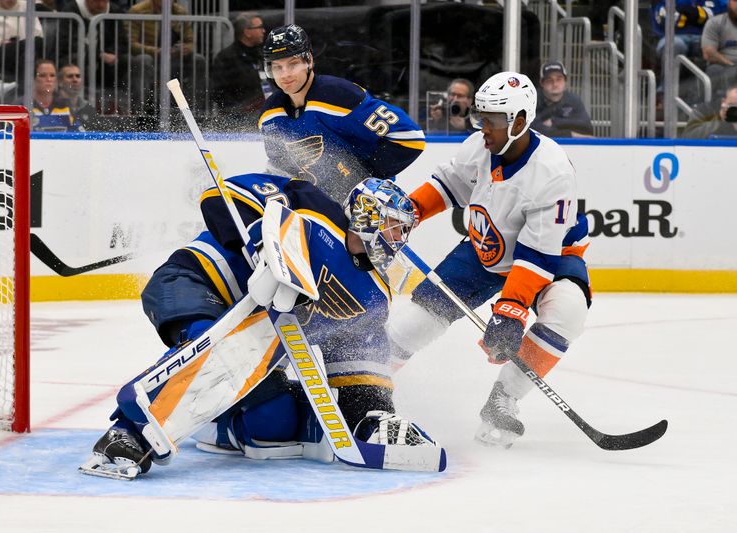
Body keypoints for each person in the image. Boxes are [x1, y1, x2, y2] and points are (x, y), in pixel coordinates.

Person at [85, 174, 440, 476]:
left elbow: (359, 359)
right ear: (367, 217)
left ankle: (215, 421)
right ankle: (127, 433)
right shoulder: (311, 205)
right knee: (221, 353)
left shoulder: (375, 293)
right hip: (195, 280)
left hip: (256, 339)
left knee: (273, 423)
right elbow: (219, 198)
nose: (398, 239)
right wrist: (264, 247)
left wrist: (375, 417)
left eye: (403, 231)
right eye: (393, 226)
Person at [385, 71, 592, 449]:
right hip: (488, 246)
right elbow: (447, 185)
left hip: (552, 254)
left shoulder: (552, 172)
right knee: (419, 320)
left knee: (568, 310)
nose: (483, 128)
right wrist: (408, 212)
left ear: (519, 121)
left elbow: (536, 254)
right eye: (481, 118)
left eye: (492, 121)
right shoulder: (479, 146)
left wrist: (510, 310)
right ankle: (366, 379)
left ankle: (503, 401)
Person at [258, 24, 425, 203]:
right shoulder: (270, 115)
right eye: (277, 67)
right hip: (313, 210)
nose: (285, 74)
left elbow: (410, 137)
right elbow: (281, 169)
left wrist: (363, 179)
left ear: (309, 61)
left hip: (364, 208)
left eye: (293, 64)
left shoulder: (339, 96)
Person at [59, 0, 151, 114]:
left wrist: (114, 54)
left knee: (142, 60)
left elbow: (122, 42)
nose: (101, 5)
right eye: (96, 1)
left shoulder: (114, 10)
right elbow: (68, 43)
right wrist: (99, 54)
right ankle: (76, 111)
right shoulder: (72, 10)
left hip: (107, 66)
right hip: (80, 62)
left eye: (104, 1)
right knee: (77, 58)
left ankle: (137, 111)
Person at [126, 0, 207, 111]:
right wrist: (155, 50)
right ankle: (139, 111)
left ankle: (194, 110)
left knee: (198, 59)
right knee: (143, 60)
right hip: (151, 57)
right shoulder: (137, 11)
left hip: (175, 57)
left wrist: (187, 48)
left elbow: (190, 40)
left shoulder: (180, 12)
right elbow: (130, 43)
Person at [210, 12, 271, 132]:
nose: (263, 31)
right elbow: (218, 93)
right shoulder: (226, 58)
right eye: (259, 27)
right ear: (247, 32)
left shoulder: (263, 55)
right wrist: (241, 109)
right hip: (239, 116)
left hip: (265, 109)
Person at [531, 61, 593, 138]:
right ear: (542, 83)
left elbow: (587, 127)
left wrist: (555, 122)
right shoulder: (532, 100)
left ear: (565, 81)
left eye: (559, 79)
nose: (555, 84)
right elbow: (531, 130)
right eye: (549, 80)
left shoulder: (573, 100)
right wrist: (571, 134)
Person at [31, 59, 81, 132]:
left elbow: (79, 136)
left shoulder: (65, 105)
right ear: (33, 79)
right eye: (42, 75)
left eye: (52, 75)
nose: (48, 79)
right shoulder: (23, 106)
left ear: (56, 80)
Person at [701, 0, 737, 97]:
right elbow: (708, 53)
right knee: (714, 70)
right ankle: (713, 109)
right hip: (723, 65)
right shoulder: (715, 22)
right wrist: (731, 64)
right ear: (728, 2)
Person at [57, 63, 98, 128]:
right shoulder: (52, 106)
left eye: (78, 76)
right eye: (70, 76)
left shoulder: (88, 109)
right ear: (60, 82)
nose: (75, 80)